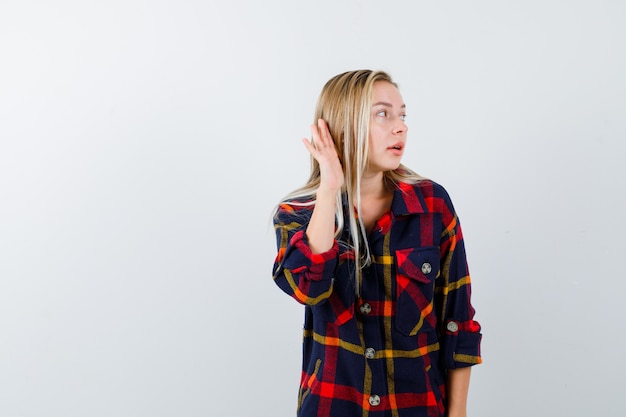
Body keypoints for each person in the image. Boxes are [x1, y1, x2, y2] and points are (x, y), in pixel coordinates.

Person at [272, 70, 482, 417]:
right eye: (383, 114)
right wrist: (329, 188)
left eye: (402, 115)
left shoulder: (432, 205)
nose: (400, 127)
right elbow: (308, 287)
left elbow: (457, 322)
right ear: (344, 124)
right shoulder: (298, 215)